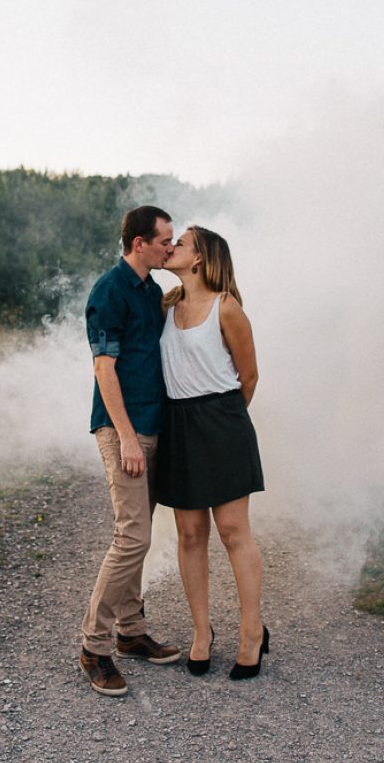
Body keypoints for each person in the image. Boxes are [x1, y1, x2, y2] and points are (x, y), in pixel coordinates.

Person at [155, 225, 268, 679]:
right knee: (189, 533)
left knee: (233, 530)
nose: (172, 247)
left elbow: (250, 377)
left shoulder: (228, 308)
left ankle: (252, 633)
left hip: (222, 423)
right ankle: (202, 634)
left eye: (180, 243)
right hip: (177, 425)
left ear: (199, 259)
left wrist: (221, 424)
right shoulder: (164, 306)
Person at [79, 205, 181, 696]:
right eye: (165, 240)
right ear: (139, 242)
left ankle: (132, 633)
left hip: (154, 425)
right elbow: (105, 368)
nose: (170, 246)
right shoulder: (109, 290)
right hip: (124, 428)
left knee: (140, 531)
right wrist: (124, 436)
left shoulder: (153, 291)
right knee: (133, 535)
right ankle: (93, 646)